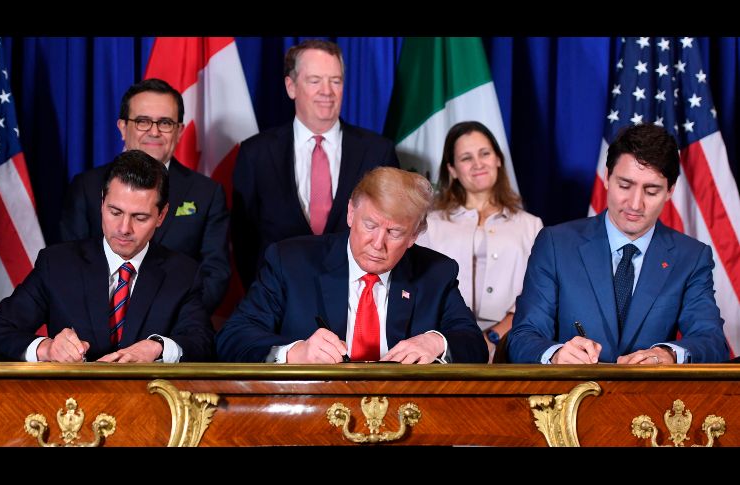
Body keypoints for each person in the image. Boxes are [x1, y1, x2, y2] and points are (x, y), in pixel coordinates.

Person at [216, 167, 487, 364]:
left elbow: (474, 345)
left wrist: (435, 342)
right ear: (350, 213)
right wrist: (295, 353)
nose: (377, 243)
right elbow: (232, 338)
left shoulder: (436, 273)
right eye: (370, 225)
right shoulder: (290, 262)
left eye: (394, 233)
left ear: (414, 236)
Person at [507, 123, 728, 364]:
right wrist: (557, 355)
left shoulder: (691, 257)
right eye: (625, 185)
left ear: (670, 191)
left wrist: (668, 354)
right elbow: (523, 337)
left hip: (649, 400)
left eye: (651, 191)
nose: (635, 204)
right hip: (571, 396)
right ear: (607, 178)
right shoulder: (555, 244)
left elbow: (711, 341)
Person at [0, 150, 214, 363]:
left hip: (148, 408)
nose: (124, 228)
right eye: (115, 212)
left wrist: (158, 348)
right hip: (70, 408)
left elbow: (202, 344)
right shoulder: (57, 265)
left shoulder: (182, 273)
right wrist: (46, 348)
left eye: (140, 217)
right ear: (101, 203)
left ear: (161, 215)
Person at [232, 39, 400, 290]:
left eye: (335, 81)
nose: (327, 91)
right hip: (277, 301)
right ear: (291, 86)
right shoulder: (255, 153)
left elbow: (392, 228)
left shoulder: (378, 151)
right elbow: (244, 241)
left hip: (355, 300)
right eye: (315, 81)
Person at [59, 78, 229, 315]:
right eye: (142, 121)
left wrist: (169, 320)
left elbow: (215, 274)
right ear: (122, 127)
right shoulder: (86, 186)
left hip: (175, 331)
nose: (154, 131)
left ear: (179, 131)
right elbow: (68, 264)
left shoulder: (207, 193)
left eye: (165, 123)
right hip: (96, 326)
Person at [416, 121, 542, 362]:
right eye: (466, 158)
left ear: (498, 159)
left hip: (512, 346)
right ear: (452, 169)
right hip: (444, 349)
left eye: (485, 153)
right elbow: (420, 293)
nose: (478, 164)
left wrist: (493, 337)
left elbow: (537, 297)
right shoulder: (430, 224)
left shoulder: (531, 226)